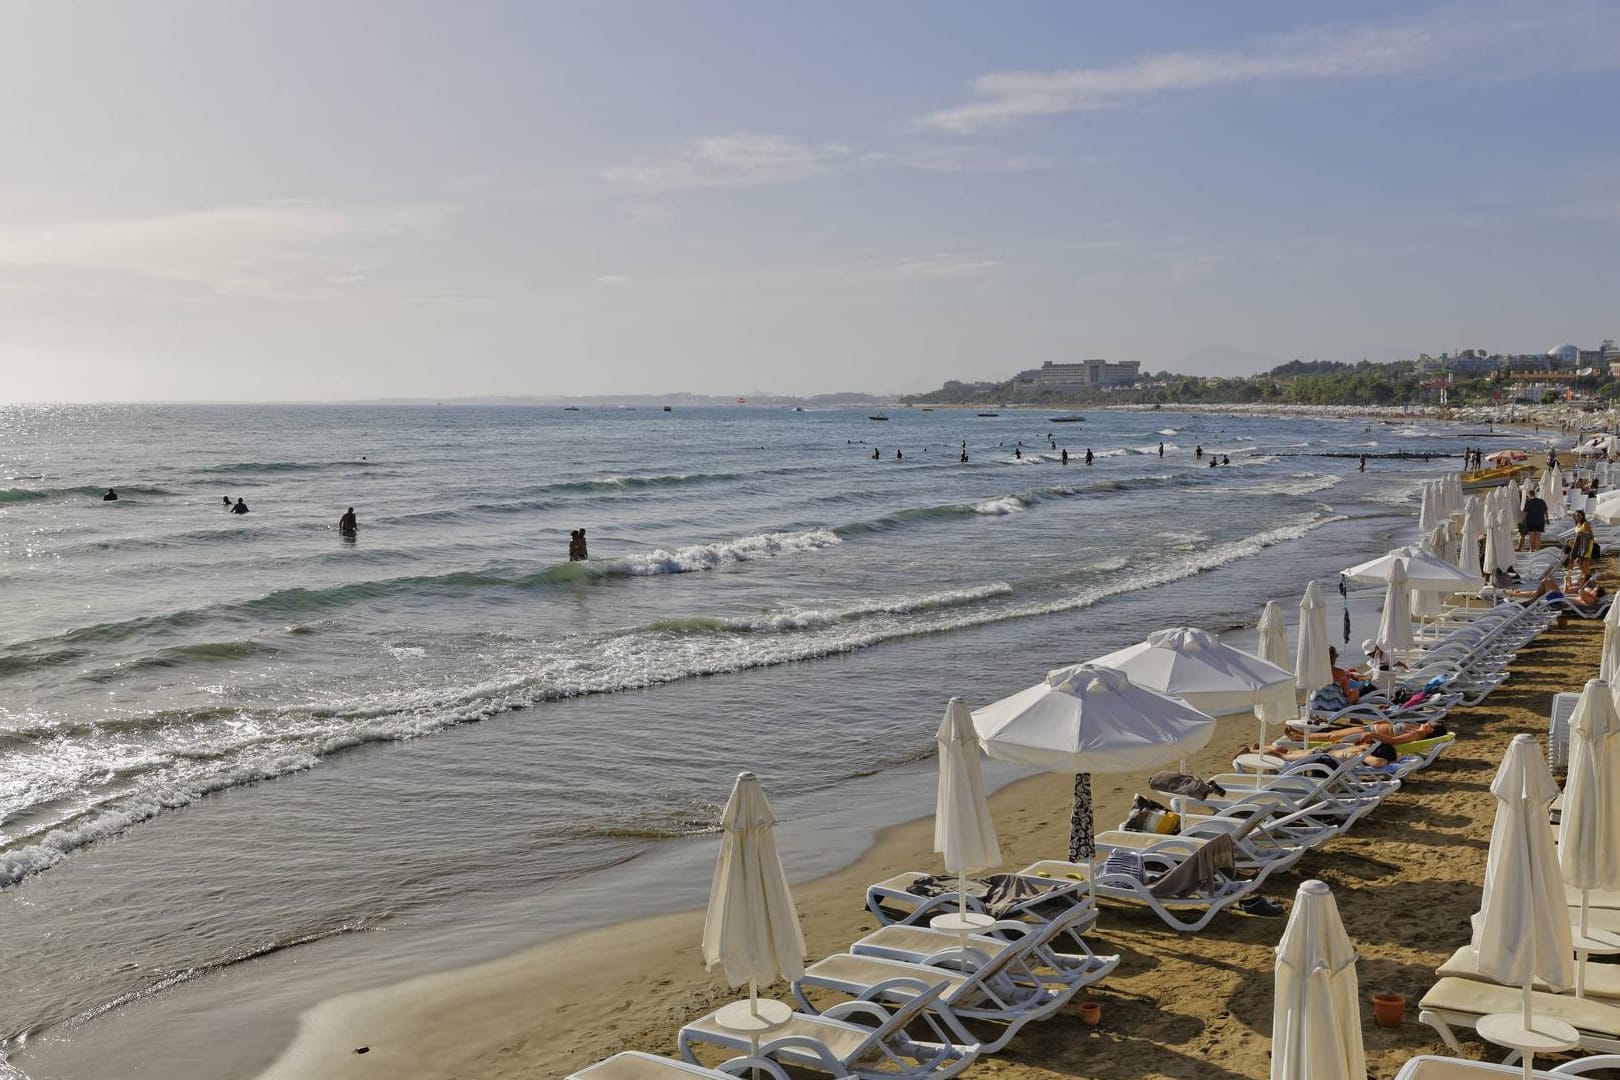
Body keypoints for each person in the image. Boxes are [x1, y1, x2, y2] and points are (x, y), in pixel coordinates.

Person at [1571, 510, 1596, 576]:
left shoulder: (1585, 523)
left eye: (1579, 515)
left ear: (1583, 516)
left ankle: (1587, 576)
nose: (1578, 517)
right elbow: (1577, 537)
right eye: (1576, 515)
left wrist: (1582, 533)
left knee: (1585, 562)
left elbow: (1591, 535)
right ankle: (1585, 576)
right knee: (1579, 562)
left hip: (1587, 545)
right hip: (1580, 546)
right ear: (1574, 517)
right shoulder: (1577, 525)